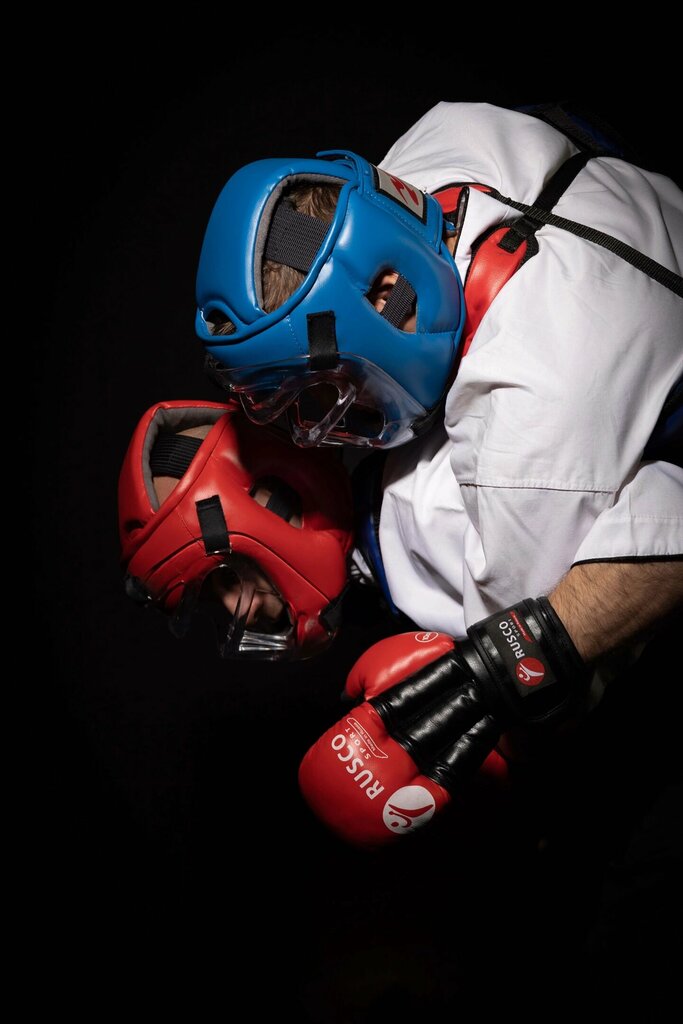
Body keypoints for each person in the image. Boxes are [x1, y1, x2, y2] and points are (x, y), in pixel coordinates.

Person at [188, 100, 683, 846]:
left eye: (319, 393)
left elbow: (567, 684)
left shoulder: (526, 447)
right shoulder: (437, 144)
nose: (317, 430)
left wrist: (491, 684)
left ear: (386, 295)